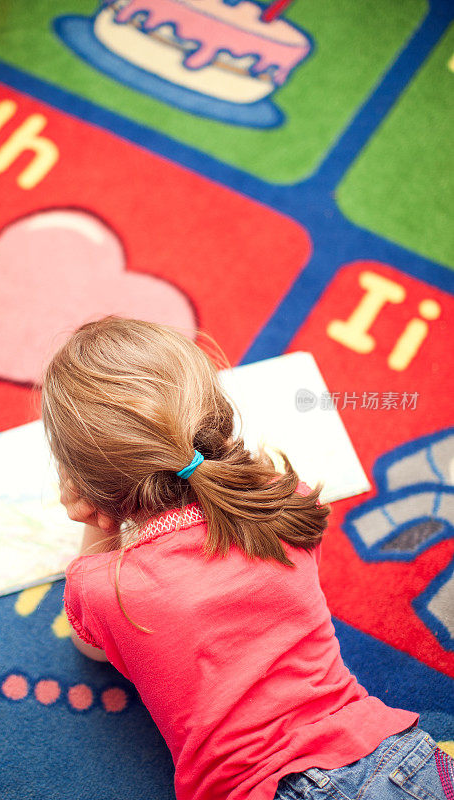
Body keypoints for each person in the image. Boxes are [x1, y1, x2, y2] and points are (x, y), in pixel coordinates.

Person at [41, 316, 453, 800]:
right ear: (215, 419)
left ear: (91, 491)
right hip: (398, 754)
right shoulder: (290, 503)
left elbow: (89, 646)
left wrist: (97, 523)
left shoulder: (102, 587)